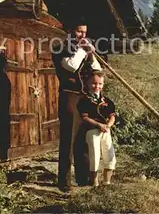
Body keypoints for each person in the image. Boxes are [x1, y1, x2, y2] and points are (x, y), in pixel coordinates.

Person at [52, 21, 102, 192]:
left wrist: (92, 55)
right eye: (79, 31)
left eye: (85, 32)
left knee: (83, 137)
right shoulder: (60, 47)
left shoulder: (85, 50)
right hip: (69, 97)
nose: (83, 35)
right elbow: (71, 66)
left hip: (85, 99)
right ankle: (64, 182)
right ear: (70, 31)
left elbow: (98, 71)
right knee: (68, 139)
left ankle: (83, 178)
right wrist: (83, 50)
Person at [77, 70, 117, 187]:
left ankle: (107, 182)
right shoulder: (84, 100)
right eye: (94, 83)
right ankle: (94, 183)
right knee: (94, 155)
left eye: (100, 84)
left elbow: (112, 116)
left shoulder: (107, 101)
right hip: (92, 130)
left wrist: (108, 125)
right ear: (87, 84)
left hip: (106, 130)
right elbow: (85, 118)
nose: (97, 86)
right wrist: (98, 125)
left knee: (109, 155)